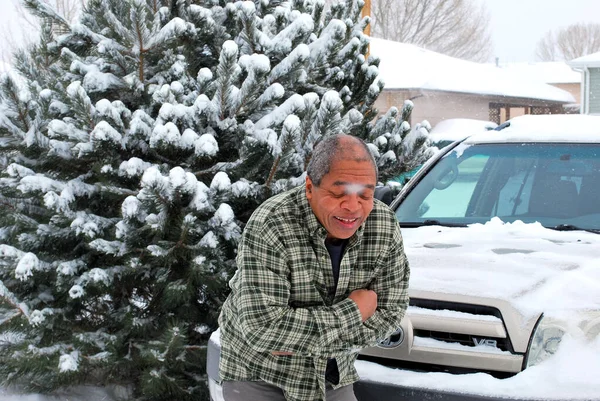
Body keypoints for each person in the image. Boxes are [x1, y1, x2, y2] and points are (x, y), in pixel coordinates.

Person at [218, 134, 410, 401]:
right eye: (339, 193)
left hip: (333, 376)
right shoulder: (271, 224)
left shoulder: (384, 225)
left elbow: (390, 313)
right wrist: (354, 311)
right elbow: (263, 331)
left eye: (365, 195)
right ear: (310, 187)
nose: (353, 207)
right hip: (260, 375)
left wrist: (293, 339)